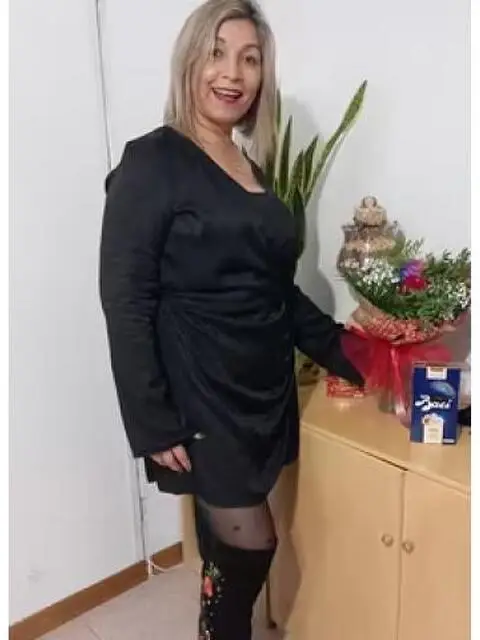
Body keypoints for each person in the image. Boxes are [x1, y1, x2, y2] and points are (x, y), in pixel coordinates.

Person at [99, 1, 363, 638]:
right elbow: (125, 298)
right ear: (189, 61)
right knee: (251, 544)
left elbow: (277, 293)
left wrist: (357, 356)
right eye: (217, 53)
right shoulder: (152, 161)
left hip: (259, 387)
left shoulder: (251, 167)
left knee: (228, 545)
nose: (233, 73)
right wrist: (151, 419)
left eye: (250, 58)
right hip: (200, 390)